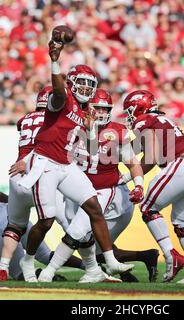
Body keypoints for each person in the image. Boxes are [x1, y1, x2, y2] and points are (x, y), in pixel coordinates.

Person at [17, 38, 133, 282]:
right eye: (80, 82)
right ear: (71, 82)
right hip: (46, 163)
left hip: (66, 166)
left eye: (89, 84)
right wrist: (55, 62)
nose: (85, 87)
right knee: (46, 220)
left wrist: (92, 131)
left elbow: (88, 148)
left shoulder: (85, 111)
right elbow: (59, 91)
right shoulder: (63, 98)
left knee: (94, 206)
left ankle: (110, 261)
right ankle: (27, 259)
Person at [37, 88, 158, 283]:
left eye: (105, 109)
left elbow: (133, 162)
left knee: (77, 230)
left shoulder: (117, 131)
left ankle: (48, 272)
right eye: (97, 108)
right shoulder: (73, 127)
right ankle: (96, 271)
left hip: (105, 190)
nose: (101, 113)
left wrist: (137, 184)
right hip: (76, 191)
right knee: (86, 239)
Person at [122, 90, 184, 284]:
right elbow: (131, 149)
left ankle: (171, 256)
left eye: (130, 110)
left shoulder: (143, 121)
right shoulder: (160, 120)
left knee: (147, 207)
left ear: (139, 107)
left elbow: (152, 157)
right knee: (181, 220)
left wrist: (126, 177)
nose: (129, 116)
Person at [0, 86, 78, 281]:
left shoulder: (25, 119)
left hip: (17, 176)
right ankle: (93, 264)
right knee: (68, 223)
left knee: (14, 226)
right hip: (41, 172)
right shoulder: (56, 118)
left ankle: (3, 268)